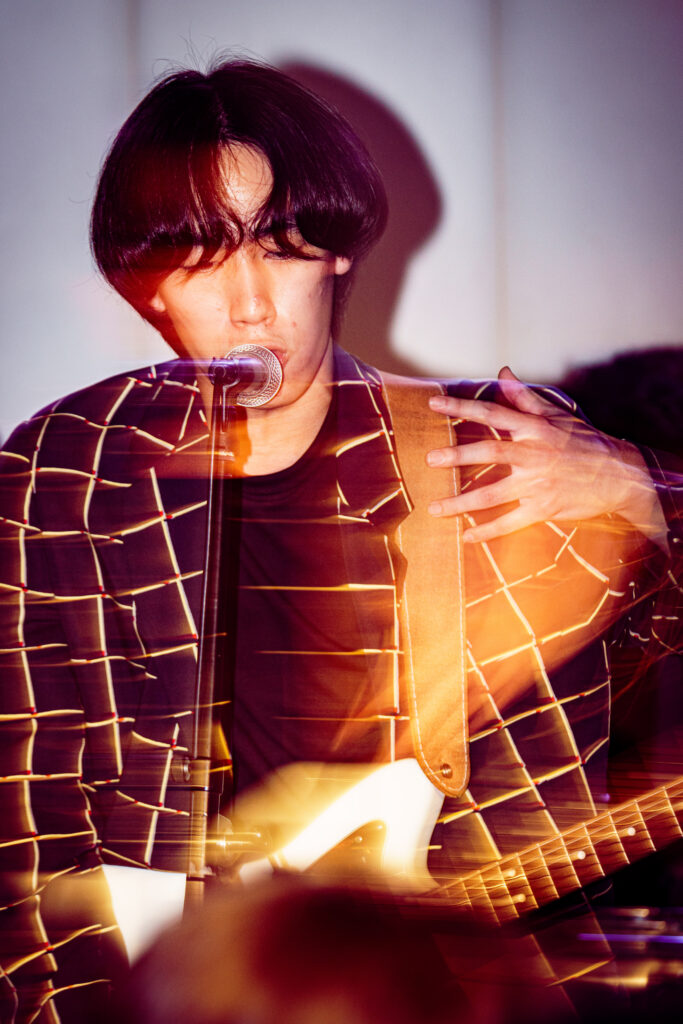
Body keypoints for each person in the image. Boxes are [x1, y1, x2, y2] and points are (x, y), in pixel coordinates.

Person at [0, 59, 680, 1023]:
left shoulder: (485, 451)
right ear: (145, 288)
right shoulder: (61, 472)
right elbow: (28, 828)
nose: (248, 304)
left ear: (336, 256)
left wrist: (638, 487)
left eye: (279, 249)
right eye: (200, 258)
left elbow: (654, 657)